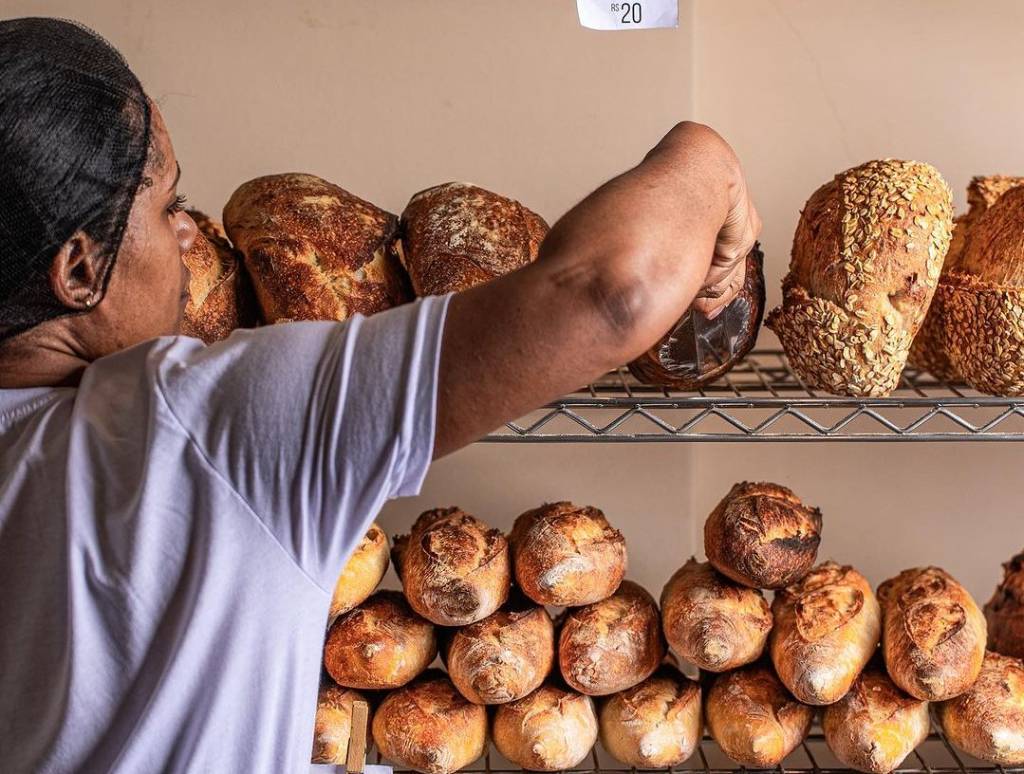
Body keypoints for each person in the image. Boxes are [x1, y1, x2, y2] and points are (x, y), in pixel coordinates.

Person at [0, 16, 760, 774]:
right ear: (77, 271)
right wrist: (708, 158)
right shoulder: (198, 429)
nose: (192, 238)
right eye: (169, 206)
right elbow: (611, 293)